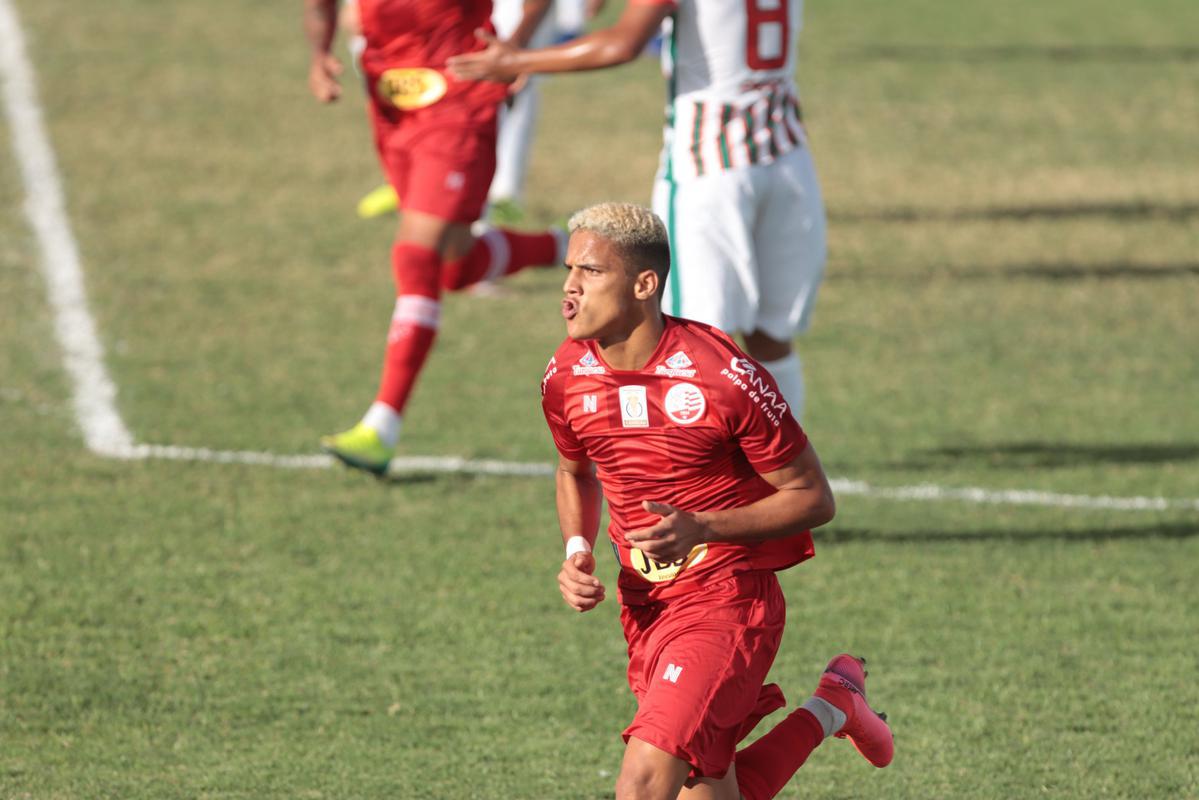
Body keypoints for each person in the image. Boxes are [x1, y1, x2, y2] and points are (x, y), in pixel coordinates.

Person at [540, 202, 890, 800]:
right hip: (645, 606)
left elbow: (813, 497)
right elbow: (574, 471)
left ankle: (833, 708)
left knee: (644, 782)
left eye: (591, 272)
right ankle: (833, 708)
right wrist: (577, 550)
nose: (570, 288)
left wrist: (701, 527)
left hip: (727, 598)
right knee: (706, 794)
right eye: (570, 270)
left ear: (645, 284)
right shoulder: (566, 375)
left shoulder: (723, 376)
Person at [449, 0, 827, 422]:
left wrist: (520, 60)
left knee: (690, 347)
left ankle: (696, 482)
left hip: (710, 166)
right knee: (771, 337)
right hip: (788, 156)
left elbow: (622, 43)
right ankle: (789, 475)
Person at [304, 0, 569, 476]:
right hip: (391, 103)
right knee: (454, 267)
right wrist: (320, 52)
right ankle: (564, 246)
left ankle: (382, 425)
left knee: (415, 256)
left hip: (459, 102)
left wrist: (514, 48)